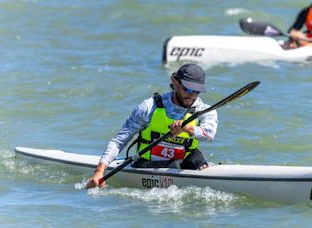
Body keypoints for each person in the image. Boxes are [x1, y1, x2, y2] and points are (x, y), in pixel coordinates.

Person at [86, 63, 218, 188]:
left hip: (183, 163)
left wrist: (188, 128)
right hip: (147, 164)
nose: (192, 96)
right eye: (188, 89)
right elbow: (119, 141)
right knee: (176, 164)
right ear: (175, 82)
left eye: (197, 91)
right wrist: (99, 171)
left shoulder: (205, 111)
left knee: (196, 158)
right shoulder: (149, 107)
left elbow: (209, 136)